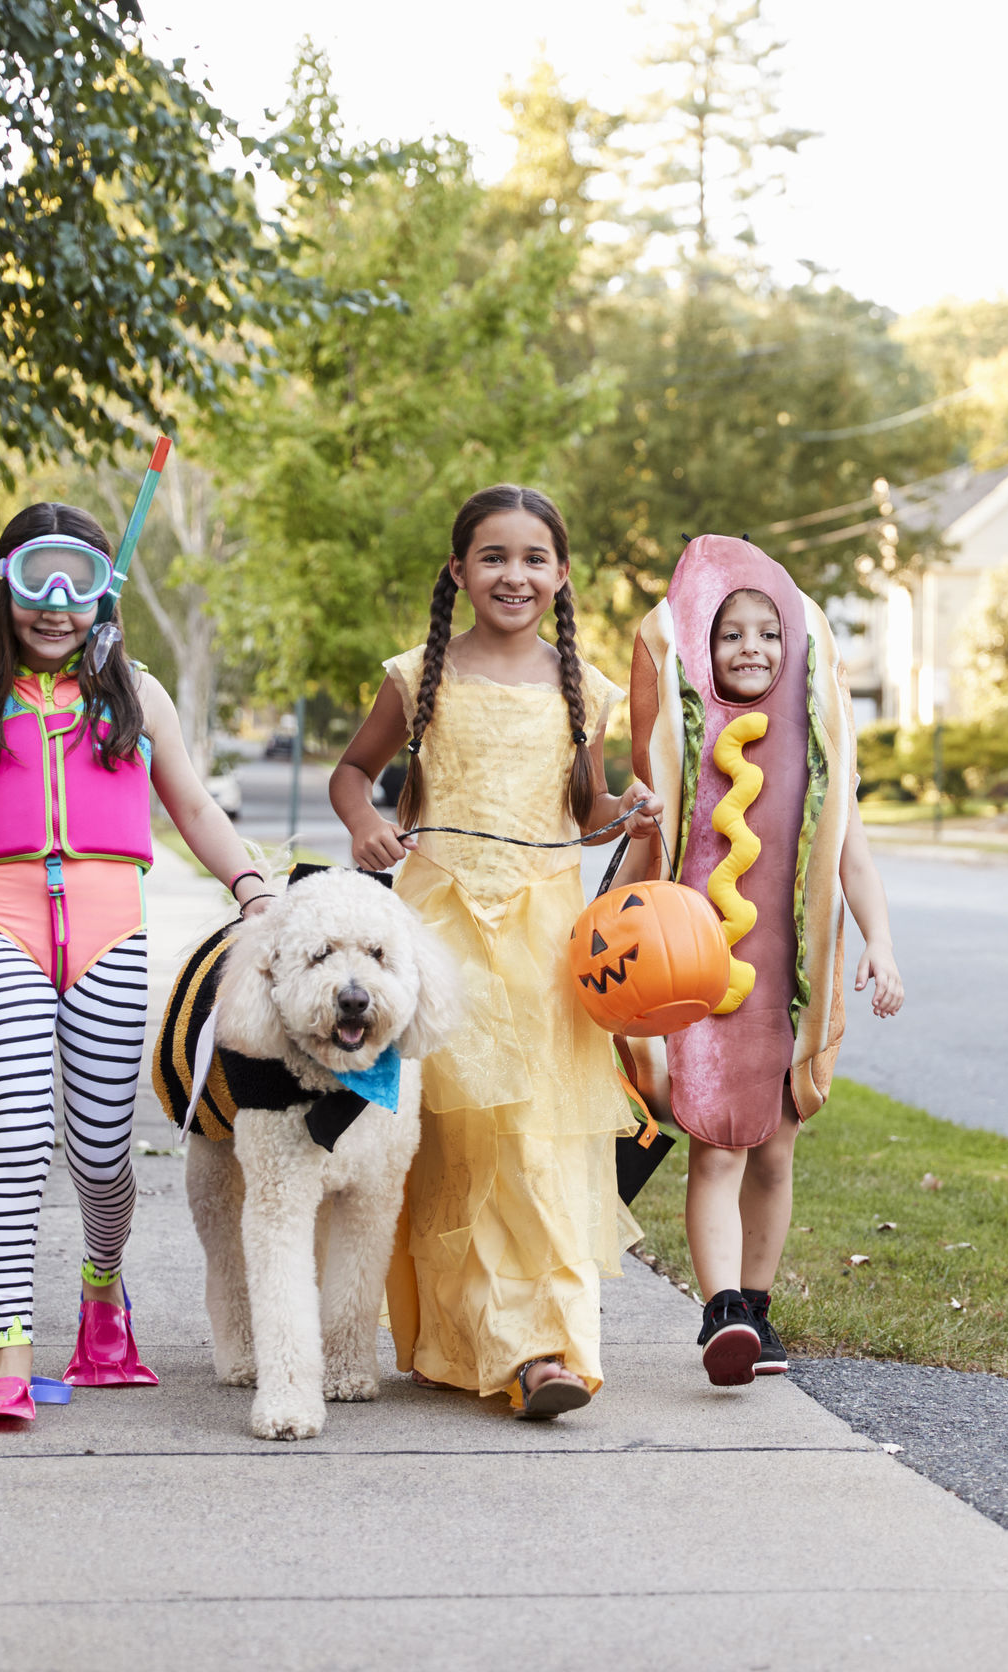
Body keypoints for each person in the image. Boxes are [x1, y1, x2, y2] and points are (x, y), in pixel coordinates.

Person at [0, 501, 277, 1422]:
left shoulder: (137, 693)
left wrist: (252, 887)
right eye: (39, 577)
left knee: (102, 1159)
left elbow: (193, 807)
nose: (58, 603)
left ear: (105, 594)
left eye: (79, 580)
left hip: (112, 935)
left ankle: (103, 1296)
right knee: (14, 1133)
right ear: (6, 586)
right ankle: (5, 1351)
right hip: (6, 928)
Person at [329, 484, 662, 1419]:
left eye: (533, 560)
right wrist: (364, 826)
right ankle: (462, 1342)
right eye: (493, 557)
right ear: (458, 571)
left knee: (538, 1142)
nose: (514, 575)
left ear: (561, 576)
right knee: (460, 1141)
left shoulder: (581, 688)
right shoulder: (416, 677)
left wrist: (627, 812)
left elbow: (584, 810)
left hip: (548, 946)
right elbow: (353, 774)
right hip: (441, 938)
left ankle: (545, 1349)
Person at [623, 537, 903, 1387]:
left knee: (775, 1151)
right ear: (702, 650)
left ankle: (757, 1305)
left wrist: (880, 944)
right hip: (699, 979)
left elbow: (852, 859)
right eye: (730, 634)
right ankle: (720, 1313)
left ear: (799, 649)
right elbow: (641, 870)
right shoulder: (684, 754)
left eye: (769, 634)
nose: (752, 649)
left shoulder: (817, 757)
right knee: (717, 1145)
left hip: (790, 988)